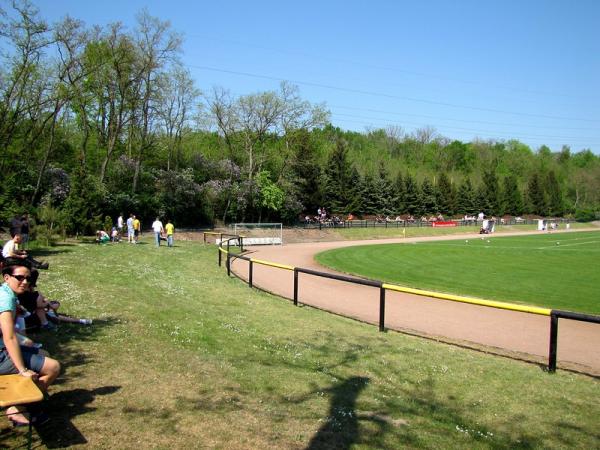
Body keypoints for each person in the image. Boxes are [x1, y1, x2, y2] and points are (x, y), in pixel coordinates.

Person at [0, 260, 60, 426]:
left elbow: (11, 332)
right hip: (1, 355)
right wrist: (22, 370)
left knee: (43, 354)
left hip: (3, 349)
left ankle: (23, 403)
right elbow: (9, 337)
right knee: (53, 367)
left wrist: (25, 340)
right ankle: (19, 408)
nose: (25, 282)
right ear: (6, 277)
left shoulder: (6, 293)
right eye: (19, 277)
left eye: (27, 278)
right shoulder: (5, 299)